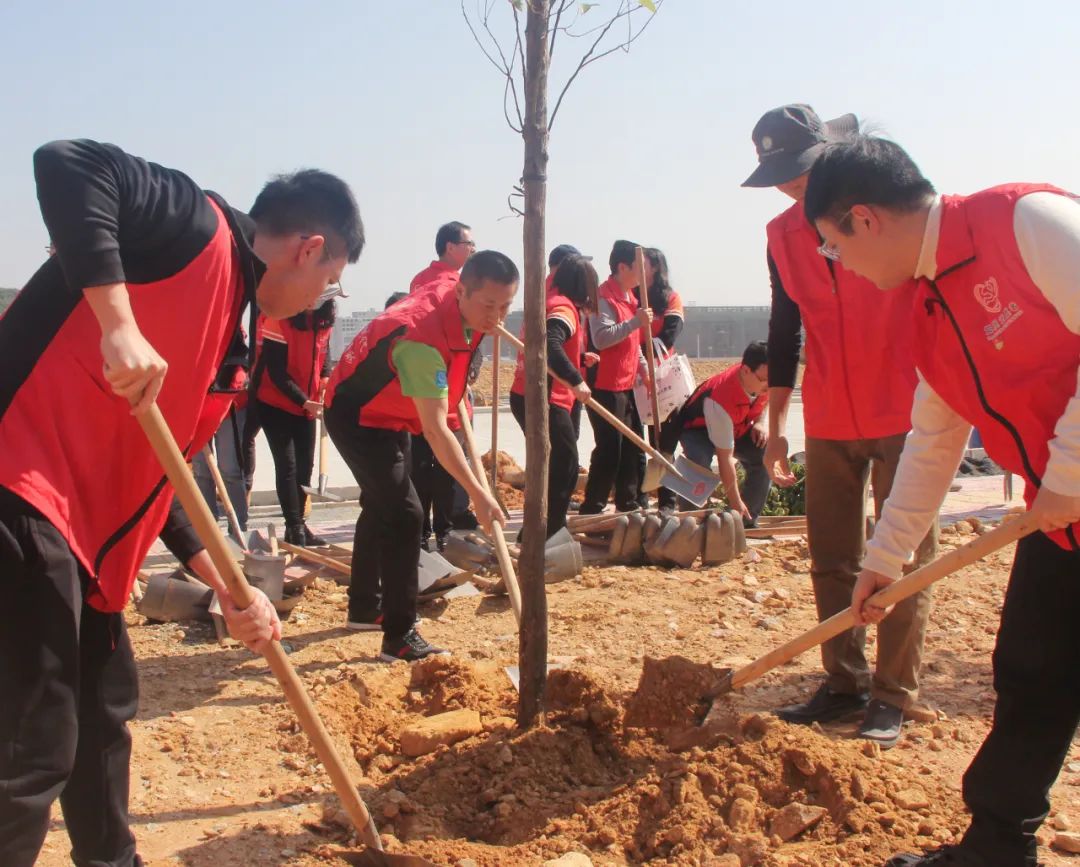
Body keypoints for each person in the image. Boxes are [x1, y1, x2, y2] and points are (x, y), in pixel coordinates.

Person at [0, 138, 363, 867]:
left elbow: (159, 479)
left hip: (89, 535)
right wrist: (118, 324)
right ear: (309, 249)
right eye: (330, 282)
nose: (321, 301)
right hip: (23, 483)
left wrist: (226, 583)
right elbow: (69, 163)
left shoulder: (235, 330)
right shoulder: (197, 231)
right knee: (35, 739)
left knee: (104, 709)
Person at [805, 135, 1080, 867]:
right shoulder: (928, 307)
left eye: (835, 246)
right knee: (1031, 667)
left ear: (864, 219)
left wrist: (1071, 468)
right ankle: (996, 848)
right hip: (1062, 520)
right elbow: (932, 440)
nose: (842, 265)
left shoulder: (1025, 223)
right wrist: (885, 558)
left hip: (1068, 493)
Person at [743, 104, 938, 748]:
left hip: (905, 408)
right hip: (829, 413)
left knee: (902, 553)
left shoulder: (876, 210)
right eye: (778, 176)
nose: (789, 186)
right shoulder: (780, 236)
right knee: (832, 557)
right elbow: (784, 331)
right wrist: (777, 424)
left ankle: (893, 692)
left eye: (798, 171)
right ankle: (844, 681)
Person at [324, 250, 515, 662]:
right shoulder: (420, 342)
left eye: (505, 306)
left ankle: (364, 607)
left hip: (394, 411)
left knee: (381, 505)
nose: (497, 317)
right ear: (462, 292)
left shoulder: (455, 292)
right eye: (489, 305)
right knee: (406, 515)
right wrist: (478, 494)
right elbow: (436, 430)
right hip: (358, 415)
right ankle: (399, 635)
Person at [510, 254, 598, 538]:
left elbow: (546, 348)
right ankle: (548, 530)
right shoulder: (563, 308)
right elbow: (550, 346)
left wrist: (579, 360)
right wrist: (576, 380)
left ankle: (541, 529)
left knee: (554, 463)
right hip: (543, 397)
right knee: (565, 464)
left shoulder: (548, 301)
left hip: (531, 393)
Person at [252, 297, 337, 546]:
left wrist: (325, 381)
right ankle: (294, 526)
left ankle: (299, 525)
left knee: (305, 467)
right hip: (274, 402)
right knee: (287, 465)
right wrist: (304, 400)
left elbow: (324, 358)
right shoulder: (278, 319)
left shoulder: (323, 321)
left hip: (306, 406)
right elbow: (276, 371)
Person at [658, 341, 771, 523]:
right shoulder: (721, 398)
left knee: (764, 455)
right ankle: (690, 522)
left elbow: (764, 401)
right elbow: (725, 459)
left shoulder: (764, 381)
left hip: (736, 425)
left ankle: (745, 521)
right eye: (764, 380)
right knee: (698, 464)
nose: (769, 385)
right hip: (698, 429)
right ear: (746, 371)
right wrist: (735, 501)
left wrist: (759, 423)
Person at [580, 240, 652, 514]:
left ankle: (628, 501)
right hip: (604, 384)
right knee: (610, 447)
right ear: (623, 267)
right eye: (640, 268)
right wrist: (635, 322)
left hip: (627, 383)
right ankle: (593, 505)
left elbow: (633, 343)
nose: (644, 274)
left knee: (633, 446)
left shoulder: (631, 298)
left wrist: (643, 368)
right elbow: (601, 338)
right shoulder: (603, 298)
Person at [409, 220, 474, 294]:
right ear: (450, 248)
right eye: (469, 243)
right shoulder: (454, 283)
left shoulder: (419, 279)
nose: (473, 249)